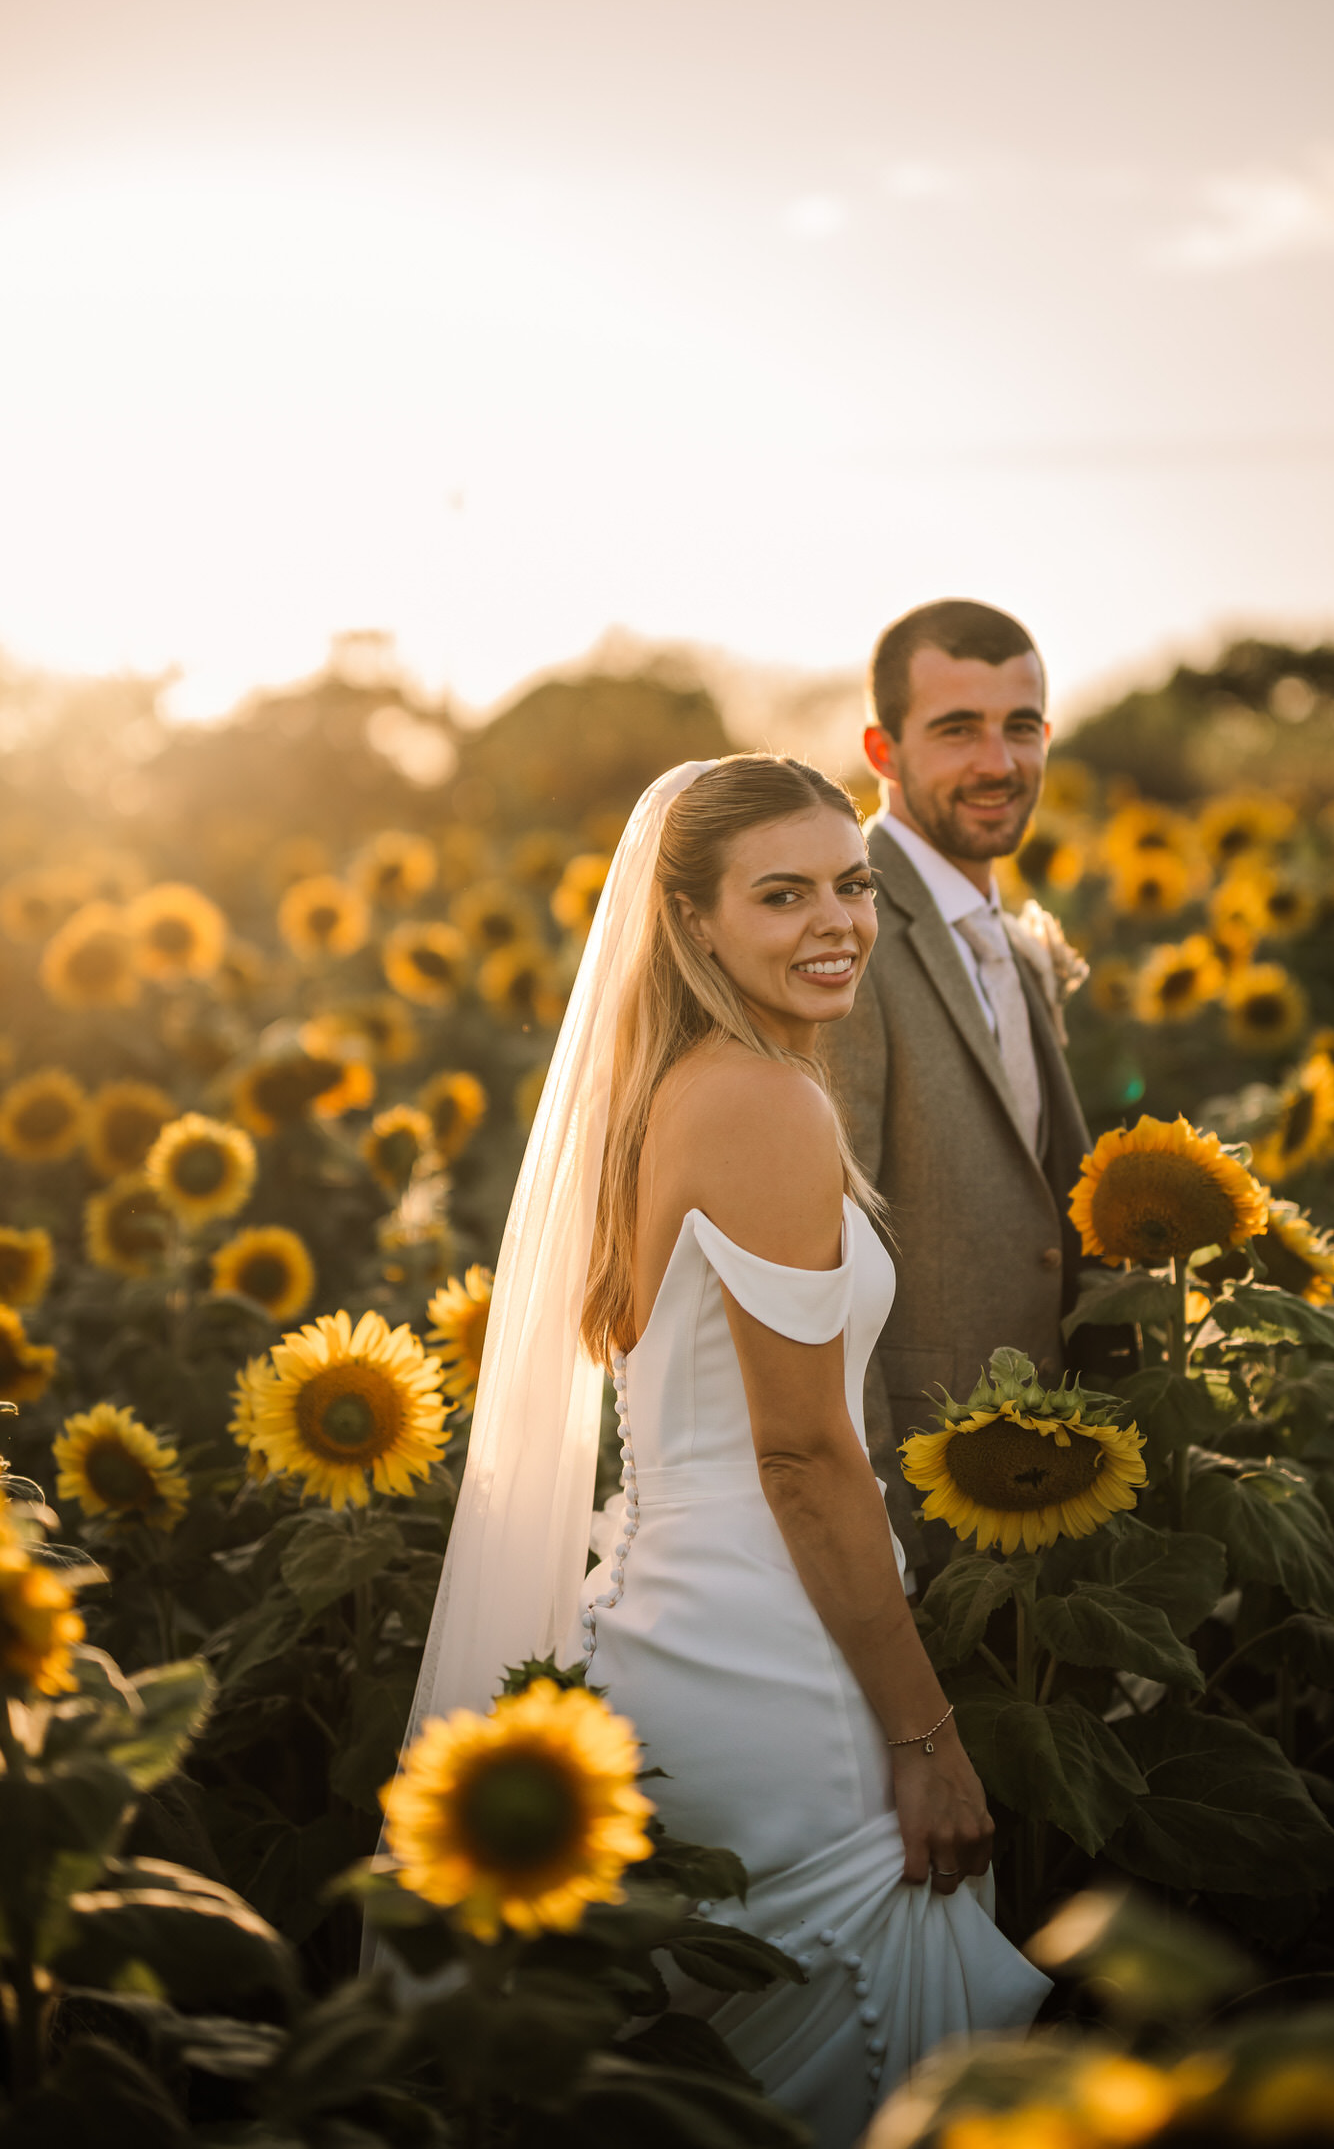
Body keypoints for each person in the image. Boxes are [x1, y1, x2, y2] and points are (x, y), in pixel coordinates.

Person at [406, 754, 1047, 2149]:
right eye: (781, 894)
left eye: (850, 885)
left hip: (663, 1615)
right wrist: (927, 1736)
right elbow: (806, 1460)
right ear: (691, 918)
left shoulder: (672, 1089)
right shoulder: (762, 1103)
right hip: (781, 1660)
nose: (837, 922)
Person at [822, 600, 1093, 1572]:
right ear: (881, 751)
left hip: (1041, 1478)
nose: (997, 763)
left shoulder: (1014, 945)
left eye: (1020, 728)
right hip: (920, 1505)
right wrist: (881, 1543)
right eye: (956, 730)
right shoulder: (840, 929)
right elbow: (825, 1266)